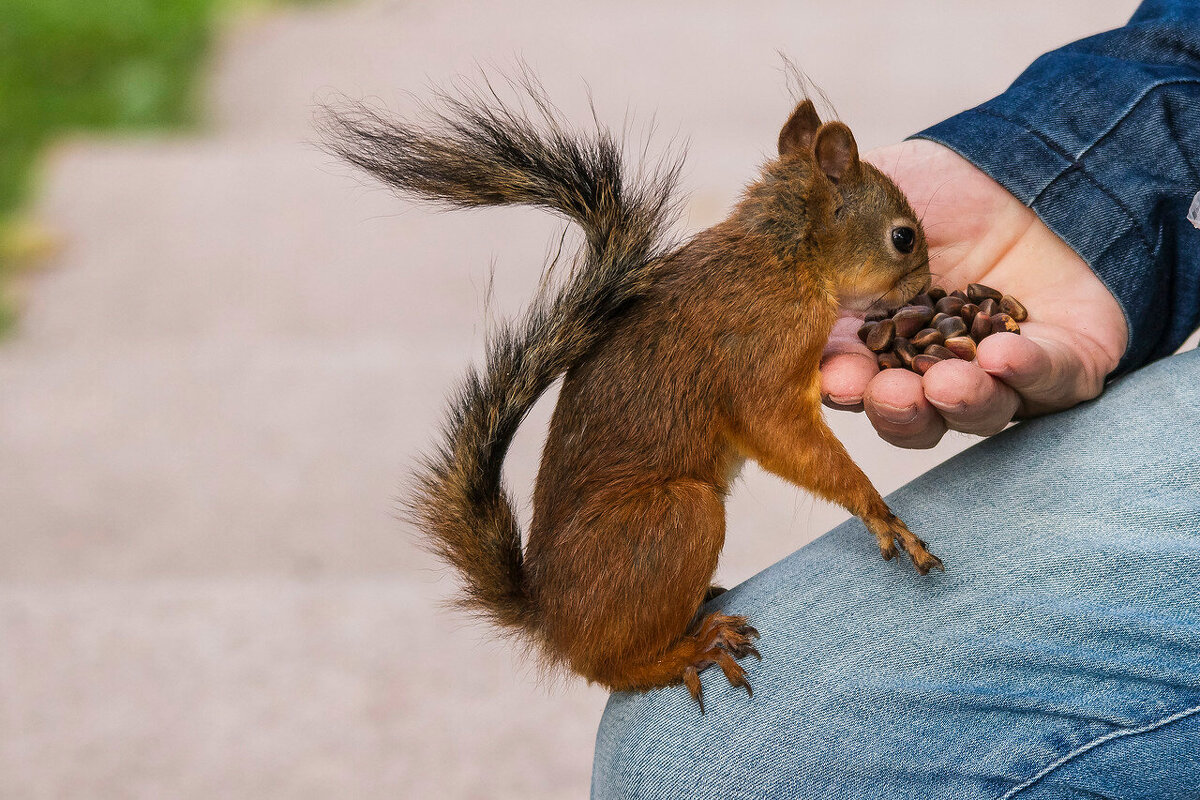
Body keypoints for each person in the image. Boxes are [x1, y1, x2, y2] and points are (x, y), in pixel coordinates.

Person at [590, 1, 1200, 797]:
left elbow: (771, 419)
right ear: (829, 203)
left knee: (707, 766)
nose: (920, 285)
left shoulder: (793, 299)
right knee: (680, 752)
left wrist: (870, 506)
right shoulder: (778, 304)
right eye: (901, 247)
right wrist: (1068, 188)